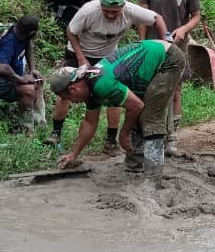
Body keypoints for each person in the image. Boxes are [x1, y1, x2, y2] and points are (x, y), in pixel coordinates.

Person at [48, 0, 167, 150]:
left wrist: (166, 41)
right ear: (100, 6)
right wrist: (81, 58)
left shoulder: (131, 10)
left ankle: (111, 139)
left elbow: (157, 18)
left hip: (108, 58)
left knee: (114, 96)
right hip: (80, 52)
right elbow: (71, 31)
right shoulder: (88, 11)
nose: (110, 15)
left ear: (123, 7)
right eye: (106, 11)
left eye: (115, 12)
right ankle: (56, 133)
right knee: (65, 90)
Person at [49, 40, 186, 175]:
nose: (71, 102)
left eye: (67, 98)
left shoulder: (101, 84)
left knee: (150, 117)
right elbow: (90, 123)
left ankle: (153, 176)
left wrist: (124, 132)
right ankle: (135, 164)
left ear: (73, 89)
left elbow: (137, 106)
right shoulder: (89, 87)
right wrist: (74, 154)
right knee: (137, 116)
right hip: (151, 56)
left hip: (168, 59)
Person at [138, 0, 201, 157]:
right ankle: (151, 132)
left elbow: (196, 16)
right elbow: (142, 17)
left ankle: (172, 136)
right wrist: (142, 42)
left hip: (177, 47)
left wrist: (183, 29)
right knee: (151, 89)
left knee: (175, 90)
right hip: (153, 46)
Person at [0, 15, 44, 133]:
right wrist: (20, 79)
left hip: (6, 77)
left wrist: (32, 69)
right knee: (28, 90)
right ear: (31, 32)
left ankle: (40, 123)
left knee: (38, 82)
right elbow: (2, 69)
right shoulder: (8, 42)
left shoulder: (19, 32)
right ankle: (26, 129)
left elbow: (28, 46)